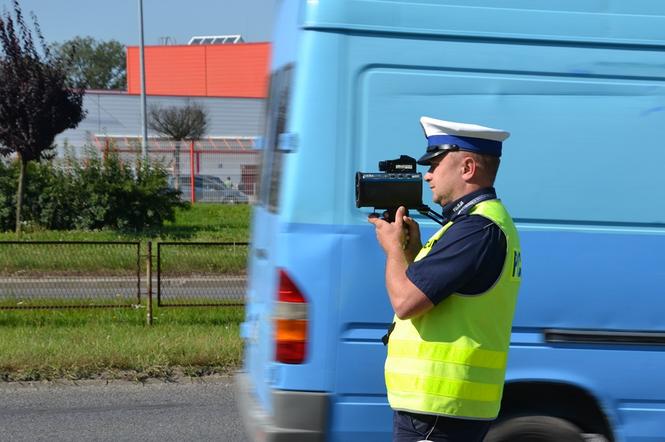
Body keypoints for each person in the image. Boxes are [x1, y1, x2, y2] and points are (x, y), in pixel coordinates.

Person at [368, 117, 522, 442]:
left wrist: (394, 251)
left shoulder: (476, 230)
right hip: (442, 409)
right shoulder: (477, 225)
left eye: (436, 164)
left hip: (439, 410)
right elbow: (435, 296)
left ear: (467, 168)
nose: (428, 175)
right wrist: (410, 254)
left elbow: (406, 301)